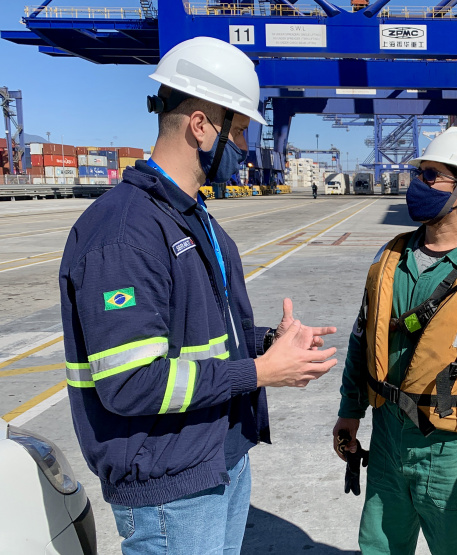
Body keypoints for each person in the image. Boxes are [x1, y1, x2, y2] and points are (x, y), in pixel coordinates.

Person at [59, 37, 338, 554]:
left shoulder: (193, 218)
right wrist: (259, 372)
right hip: (168, 487)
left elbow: (196, 335)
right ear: (201, 126)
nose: (244, 147)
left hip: (217, 461)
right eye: (238, 130)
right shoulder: (125, 235)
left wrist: (266, 342)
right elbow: (129, 382)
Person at [333, 126, 457, 555]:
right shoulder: (389, 259)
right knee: (378, 548)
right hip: (387, 441)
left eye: (432, 176)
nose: (417, 184)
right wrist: (350, 412)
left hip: (452, 455)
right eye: (420, 173)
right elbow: (361, 341)